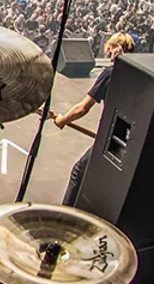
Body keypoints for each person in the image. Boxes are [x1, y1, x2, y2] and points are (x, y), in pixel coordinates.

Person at [55, 33, 135, 207]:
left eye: (111, 49)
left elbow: (83, 108)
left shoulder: (110, 73)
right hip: (130, 138)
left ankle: (63, 214)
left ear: (118, 49)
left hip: (110, 137)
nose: (109, 54)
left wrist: (63, 120)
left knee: (79, 171)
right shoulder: (137, 73)